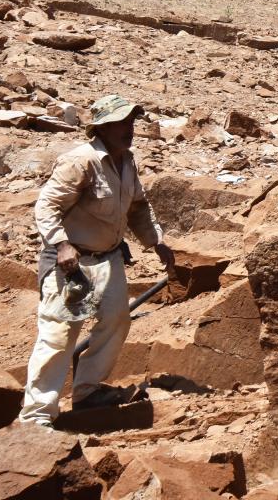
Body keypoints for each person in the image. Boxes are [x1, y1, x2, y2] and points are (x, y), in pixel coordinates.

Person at [18, 94, 175, 426]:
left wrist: (155, 241)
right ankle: (37, 416)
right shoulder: (81, 161)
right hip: (71, 263)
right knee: (60, 335)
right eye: (122, 122)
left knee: (117, 321)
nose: (129, 129)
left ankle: (87, 392)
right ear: (102, 127)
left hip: (108, 259)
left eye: (131, 122)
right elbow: (46, 208)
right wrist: (61, 245)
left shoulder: (126, 161)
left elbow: (137, 207)